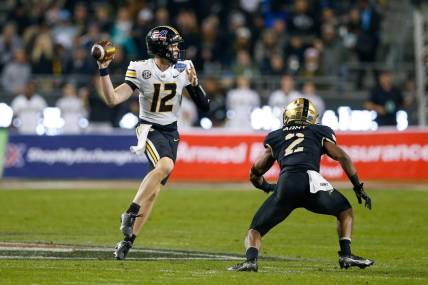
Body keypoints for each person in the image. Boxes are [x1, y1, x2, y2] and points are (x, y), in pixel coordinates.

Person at [92, 25, 209, 260]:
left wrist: (195, 86)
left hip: (171, 132)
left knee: (153, 192)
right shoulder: (140, 68)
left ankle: (127, 241)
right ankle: (130, 211)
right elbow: (113, 98)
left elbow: (205, 107)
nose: (177, 49)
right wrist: (104, 71)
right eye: (173, 45)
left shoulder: (184, 68)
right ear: (160, 48)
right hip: (149, 130)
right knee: (165, 166)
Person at [228, 98, 373, 272]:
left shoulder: (277, 136)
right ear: (312, 117)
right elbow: (343, 157)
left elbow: (256, 172)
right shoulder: (320, 131)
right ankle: (346, 255)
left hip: (287, 183)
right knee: (344, 210)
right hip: (312, 183)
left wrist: (268, 188)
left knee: (255, 229)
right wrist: (357, 186)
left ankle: (251, 261)